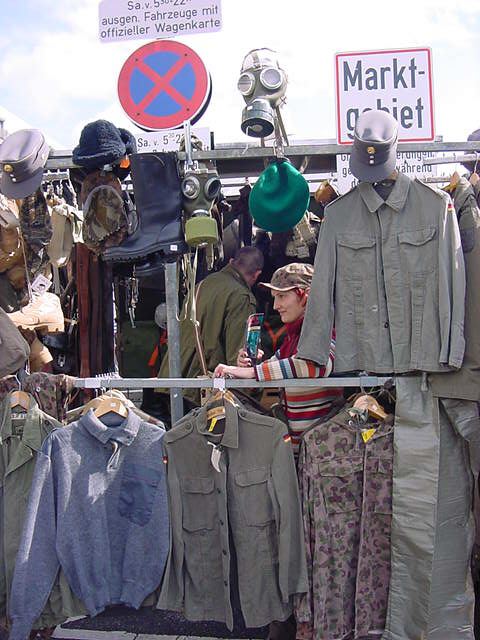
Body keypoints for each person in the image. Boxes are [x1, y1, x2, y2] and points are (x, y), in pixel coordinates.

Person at [214, 263, 343, 457]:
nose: (275, 306)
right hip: (305, 451)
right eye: (275, 297)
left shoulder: (327, 329)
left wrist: (252, 372)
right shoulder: (294, 336)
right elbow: (276, 366)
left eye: (282, 296)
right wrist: (251, 364)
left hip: (324, 454)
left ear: (307, 295)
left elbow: (315, 365)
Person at [158, 246, 264, 406]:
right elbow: (240, 358)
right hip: (199, 393)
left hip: (171, 383)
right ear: (257, 274)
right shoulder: (241, 297)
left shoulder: (201, 285)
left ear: (231, 262)